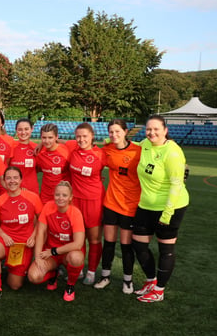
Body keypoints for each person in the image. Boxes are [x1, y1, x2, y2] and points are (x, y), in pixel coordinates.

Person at [132, 115, 189, 303]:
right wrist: (110, 140)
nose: (151, 133)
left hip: (170, 206)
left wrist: (167, 213)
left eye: (156, 129)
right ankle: (151, 280)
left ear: (165, 130)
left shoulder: (172, 152)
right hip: (146, 204)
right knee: (139, 244)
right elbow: (129, 144)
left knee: (166, 248)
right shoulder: (145, 144)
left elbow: (176, 185)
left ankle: (159, 290)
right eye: (148, 129)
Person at [94, 119, 141, 293]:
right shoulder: (107, 150)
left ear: (126, 131)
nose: (114, 135)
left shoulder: (138, 151)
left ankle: (127, 280)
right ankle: (105, 276)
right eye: (111, 132)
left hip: (130, 206)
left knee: (126, 245)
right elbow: (87, 149)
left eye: (117, 132)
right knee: (109, 243)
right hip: (111, 203)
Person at [0, 166, 42, 301]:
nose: (12, 181)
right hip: (6, 240)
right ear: (4, 181)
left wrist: (33, 236)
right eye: (8, 178)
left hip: (23, 244)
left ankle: (14, 268)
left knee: (15, 285)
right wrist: (4, 236)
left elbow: (42, 221)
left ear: (21, 180)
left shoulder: (32, 197)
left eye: (15, 178)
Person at [28, 181, 85, 302]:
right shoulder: (48, 207)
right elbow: (41, 232)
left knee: (76, 258)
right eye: (57, 195)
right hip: (51, 253)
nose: (60, 198)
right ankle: (53, 273)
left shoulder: (75, 213)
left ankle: (70, 285)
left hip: (66, 253)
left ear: (70, 198)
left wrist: (54, 251)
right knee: (34, 277)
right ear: (53, 195)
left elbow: (78, 243)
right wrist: (37, 256)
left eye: (64, 195)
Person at [67, 123, 106, 285]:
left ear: (92, 136)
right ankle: (80, 268)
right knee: (78, 238)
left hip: (94, 200)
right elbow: (57, 141)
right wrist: (41, 143)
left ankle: (91, 272)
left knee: (94, 238)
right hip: (75, 200)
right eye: (78, 136)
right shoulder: (72, 148)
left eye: (85, 136)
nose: (81, 139)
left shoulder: (101, 154)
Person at [36, 123, 70, 204]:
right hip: (46, 196)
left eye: (50, 137)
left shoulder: (66, 151)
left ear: (56, 137)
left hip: (63, 196)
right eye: (44, 137)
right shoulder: (39, 153)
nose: (47, 141)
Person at [9, 118, 39, 194]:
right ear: (16, 130)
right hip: (14, 190)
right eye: (20, 129)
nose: (23, 132)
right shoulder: (11, 147)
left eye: (26, 129)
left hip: (32, 191)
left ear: (32, 129)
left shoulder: (36, 148)